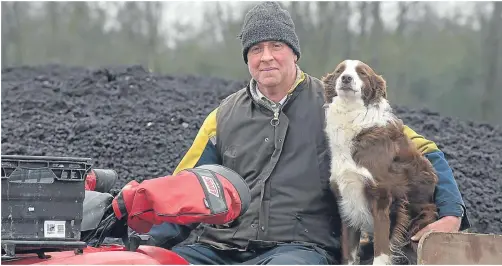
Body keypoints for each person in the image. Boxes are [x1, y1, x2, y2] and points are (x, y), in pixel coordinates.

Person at [149, 2, 470, 264]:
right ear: (247, 57)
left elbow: (422, 151)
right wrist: (146, 241)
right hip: (220, 250)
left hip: (299, 250)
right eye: (256, 49)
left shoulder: (338, 105)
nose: (267, 57)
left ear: (294, 53)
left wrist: (451, 214)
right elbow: (186, 189)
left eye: (277, 46)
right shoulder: (222, 117)